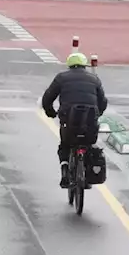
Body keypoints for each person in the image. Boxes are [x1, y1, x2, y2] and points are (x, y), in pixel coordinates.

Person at [41, 52, 107, 188]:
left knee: (65, 145)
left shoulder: (61, 78)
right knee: (88, 146)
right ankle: (86, 177)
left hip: (68, 121)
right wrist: (97, 114)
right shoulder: (94, 79)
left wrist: (50, 112)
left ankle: (65, 171)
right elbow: (103, 101)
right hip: (90, 122)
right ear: (84, 65)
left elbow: (47, 98)